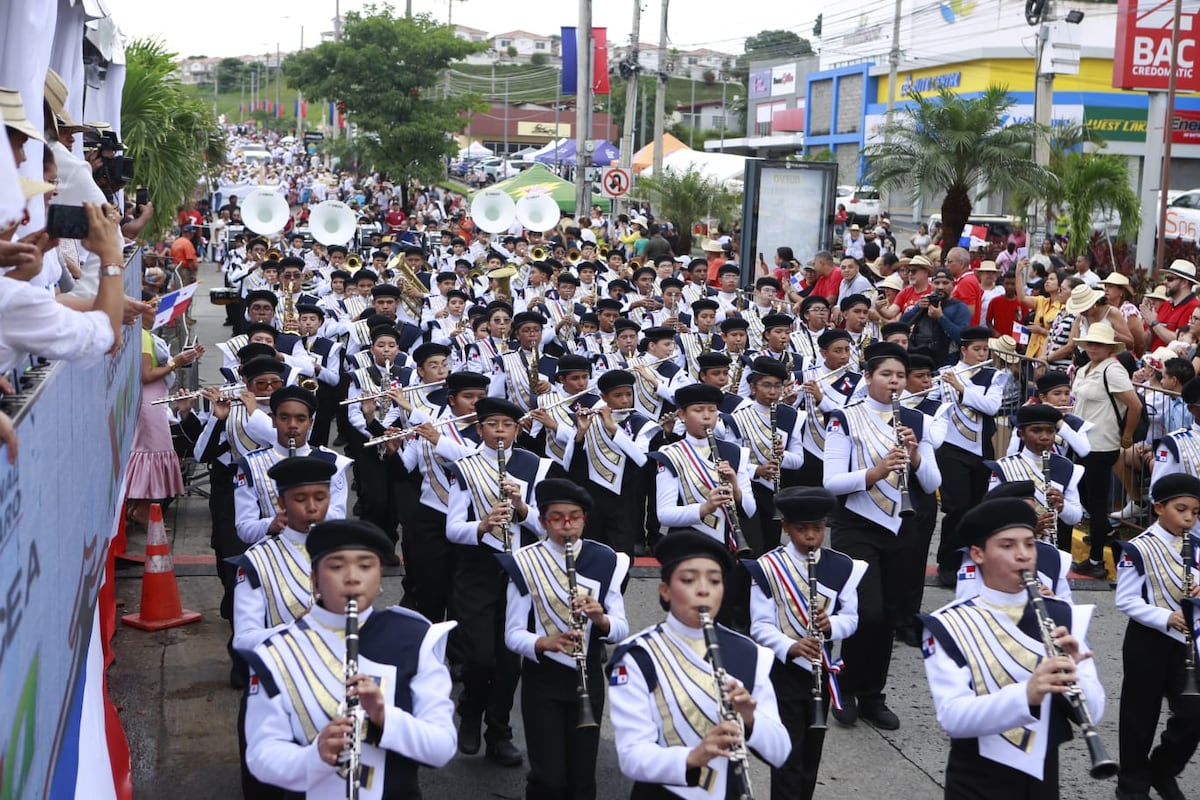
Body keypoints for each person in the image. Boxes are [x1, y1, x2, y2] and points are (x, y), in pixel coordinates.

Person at [241, 519, 457, 798]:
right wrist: (315, 756)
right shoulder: (276, 652)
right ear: (314, 578)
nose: (352, 577)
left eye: (366, 566)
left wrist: (384, 717)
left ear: (380, 576)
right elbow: (261, 757)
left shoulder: (415, 639)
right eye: (336, 566)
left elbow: (442, 748)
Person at [919, 498, 1106, 800]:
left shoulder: (1062, 615)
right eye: (1007, 546)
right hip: (976, 779)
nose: (1023, 556)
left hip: (1043, 775)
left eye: (1029, 544)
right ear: (978, 554)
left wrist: (1078, 674)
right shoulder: (947, 624)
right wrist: (1027, 694)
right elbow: (952, 717)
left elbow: (1093, 713)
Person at [606, 530, 791, 798]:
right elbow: (631, 757)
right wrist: (693, 757)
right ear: (665, 591)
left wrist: (750, 720)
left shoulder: (750, 654)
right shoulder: (637, 656)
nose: (703, 589)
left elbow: (781, 751)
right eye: (689, 580)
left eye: (715, 581)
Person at [824, 342, 941, 730]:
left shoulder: (917, 421)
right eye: (886, 374)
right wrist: (873, 473)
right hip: (857, 524)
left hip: (902, 525)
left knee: (890, 614)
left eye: (899, 376)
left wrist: (916, 453)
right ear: (869, 376)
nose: (894, 382)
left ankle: (873, 694)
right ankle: (844, 681)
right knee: (867, 611)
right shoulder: (844, 418)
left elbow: (932, 482)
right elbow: (832, 483)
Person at [499, 479, 630, 800]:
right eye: (556, 518)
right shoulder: (524, 562)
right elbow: (512, 634)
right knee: (549, 778)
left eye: (574, 517)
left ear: (585, 520)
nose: (566, 526)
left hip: (588, 682)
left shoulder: (607, 560)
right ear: (543, 522)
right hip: (542, 681)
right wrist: (544, 643)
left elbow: (621, 628)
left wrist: (600, 619)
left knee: (582, 779)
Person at [445, 397, 551, 767]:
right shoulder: (465, 467)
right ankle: (471, 710)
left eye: (508, 425)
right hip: (477, 569)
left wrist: (521, 509)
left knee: (510, 660)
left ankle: (499, 729)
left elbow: (543, 526)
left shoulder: (534, 465)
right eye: (493, 425)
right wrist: (485, 525)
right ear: (480, 429)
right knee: (478, 657)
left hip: (520, 569)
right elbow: (453, 529)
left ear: (518, 429)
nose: (501, 431)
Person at [743, 487, 865, 800]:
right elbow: (760, 626)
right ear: (785, 527)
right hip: (782, 675)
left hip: (821, 673)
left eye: (818, 529)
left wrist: (831, 625)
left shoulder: (842, 567)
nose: (810, 536)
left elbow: (851, 619)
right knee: (787, 757)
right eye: (801, 529)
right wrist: (790, 646)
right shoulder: (768, 568)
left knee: (811, 757)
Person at [1113, 473, 1200, 800]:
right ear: (1159, 507)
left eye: (1195, 512)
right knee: (1139, 716)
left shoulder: (1196, 545)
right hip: (1147, 642)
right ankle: (1131, 784)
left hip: (1186, 643)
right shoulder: (1137, 548)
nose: (1190, 518)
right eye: (1182, 509)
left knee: (1193, 714)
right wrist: (1166, 616)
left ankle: (1162, 770)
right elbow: (1126, 600)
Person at [933, 326, 1006, 587]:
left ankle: (970, 561)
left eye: (985, 349)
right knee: (956, 508)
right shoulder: (944, 374)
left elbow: (992, 406)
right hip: (950, 448)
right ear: (963, 350)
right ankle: (948, 563)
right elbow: (932, 404)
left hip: (982, 449)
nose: (982, 353)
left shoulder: (994, 375)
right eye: (977, 349)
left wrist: (962, 388)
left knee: (977, 507)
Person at [1070, 321, 1143, 579]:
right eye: (1090, 343)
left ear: (1109, 347)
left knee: (1097, 503)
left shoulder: (1113, 370)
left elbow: (1135, 405)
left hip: (1102, 444)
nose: (1092, 347)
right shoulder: (1085, 368)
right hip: (1082, 441)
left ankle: (1097, 560)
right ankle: (1107, 538)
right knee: (1086, 497)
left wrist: (1127, 435)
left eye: (1098, 344)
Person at [124, 293, 202, 527]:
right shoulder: (141, 335)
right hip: (150, 403)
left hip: (155, 400)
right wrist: (175, 362)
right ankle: (142, 511)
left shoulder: (144, 334)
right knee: (152, 454)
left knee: (153, 454)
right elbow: (146, 375)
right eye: (153, 306)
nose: (158, 310)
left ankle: (139, 509)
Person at [984, 404, 1083, 554]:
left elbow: (1075, 517)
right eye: (1036, 431)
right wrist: (1027, 528)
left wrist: (1062, 506)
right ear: (1021, 434)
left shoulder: (1067, 467)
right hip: (1011, 550)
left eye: (1050, 431)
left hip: (1052, 551)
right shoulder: (1004, 467)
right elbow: (990, 513)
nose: (1044, 437)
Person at [1142, 259, 1200, 352]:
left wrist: (1154, 323)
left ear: (1184, 283)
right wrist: (1148, 324)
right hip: (1154, 360)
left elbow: (1182, 341)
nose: (1165, 282)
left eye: (1170, 279)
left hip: (1173, 364)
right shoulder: (1165, 305)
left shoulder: (1195, 308)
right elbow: (1147, 342)